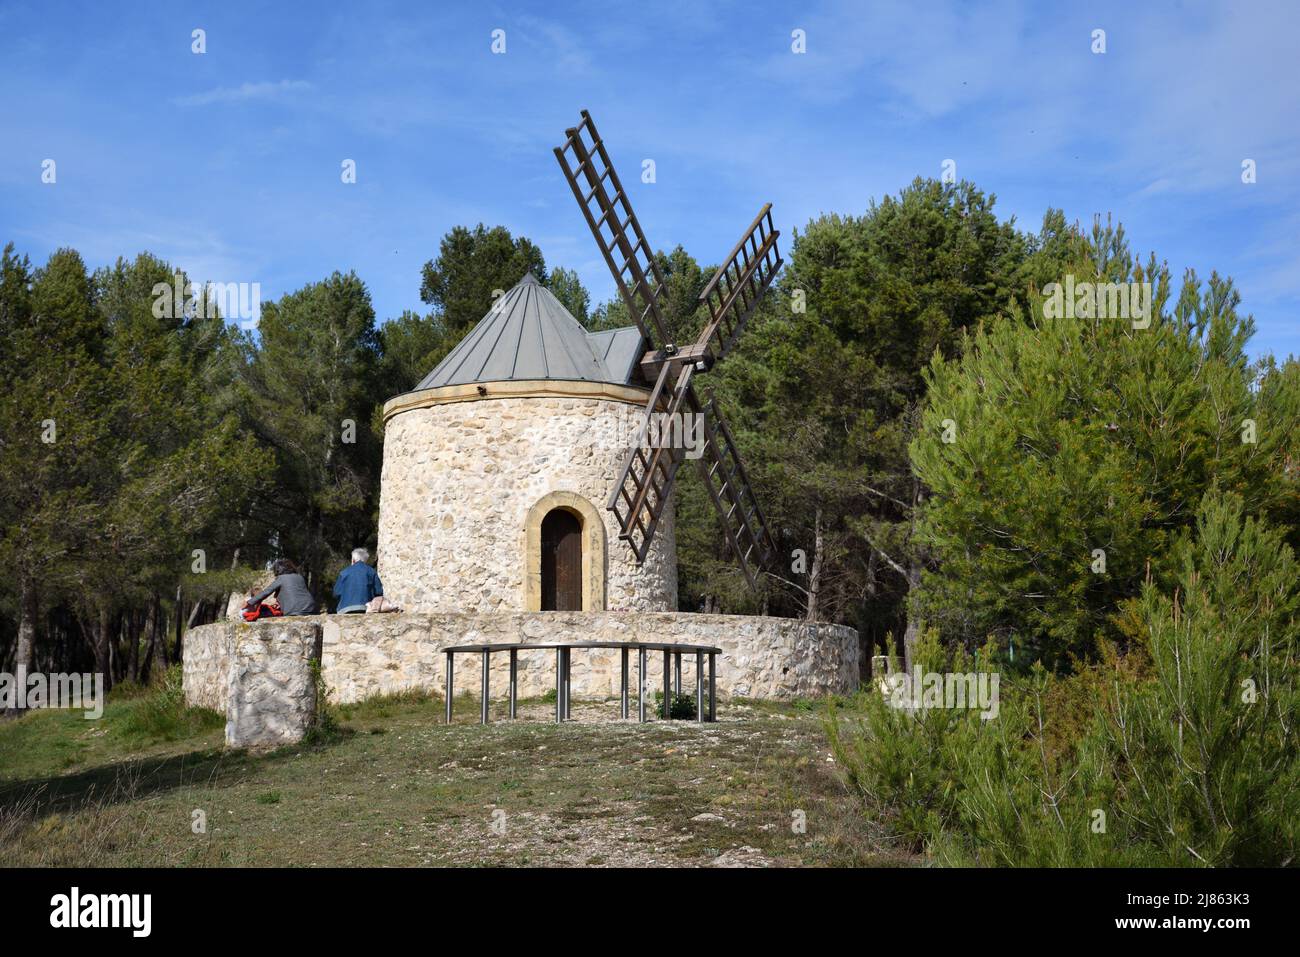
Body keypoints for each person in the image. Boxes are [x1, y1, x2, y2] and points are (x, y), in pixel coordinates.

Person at [244, 559, 319, 617]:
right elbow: (296, 593)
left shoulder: (281, 578)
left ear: (277, 570)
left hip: (294, 610)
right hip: (311, 608)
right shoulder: (300, 577)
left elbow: (266, 592)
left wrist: (249, 602)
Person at [334, 547, 384, 614]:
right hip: (366, 608)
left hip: (345, 609)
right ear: (365, 560)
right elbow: (378, 592)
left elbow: (336, 593)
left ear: (353, 560)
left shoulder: (344, 572)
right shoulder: (372, 572)